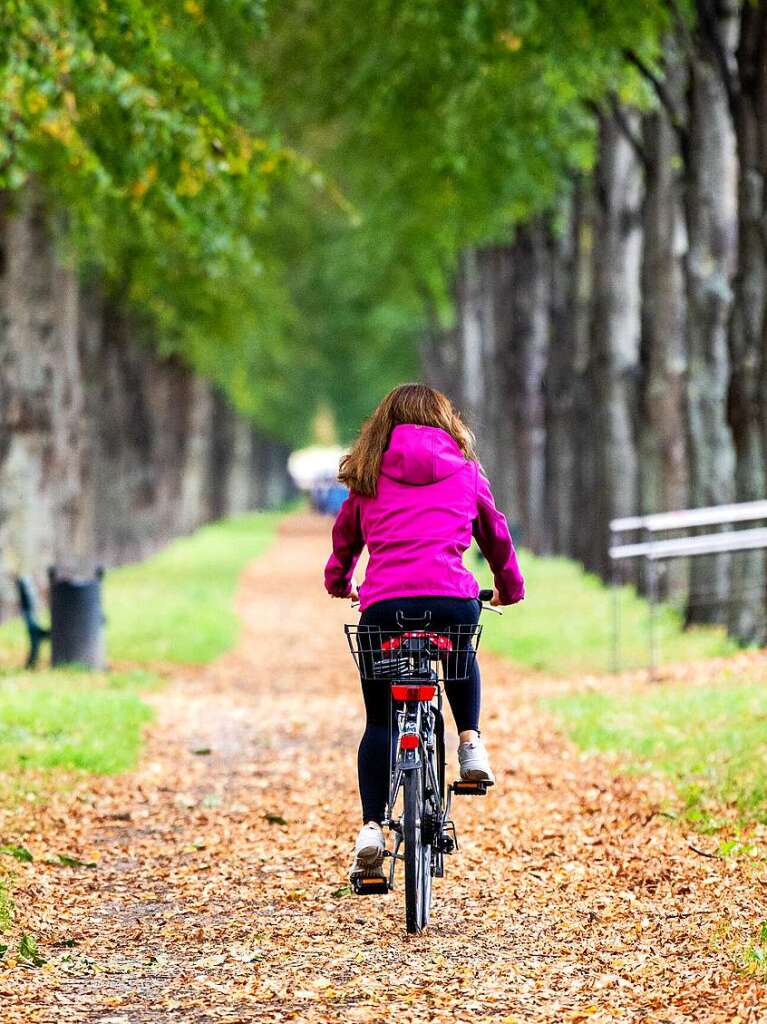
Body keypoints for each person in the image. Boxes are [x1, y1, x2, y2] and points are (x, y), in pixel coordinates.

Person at [324, 383, 525, 878]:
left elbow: (345, 540)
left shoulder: (367, 475)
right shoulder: (465, 471)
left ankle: (372, 828)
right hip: (450, 600)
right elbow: (495, 534)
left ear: (383, 426)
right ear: (444, 421)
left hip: (385, 606)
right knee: (459, 654)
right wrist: (509, 587)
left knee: (379, 721)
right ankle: (471, 743)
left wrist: (340, 582)